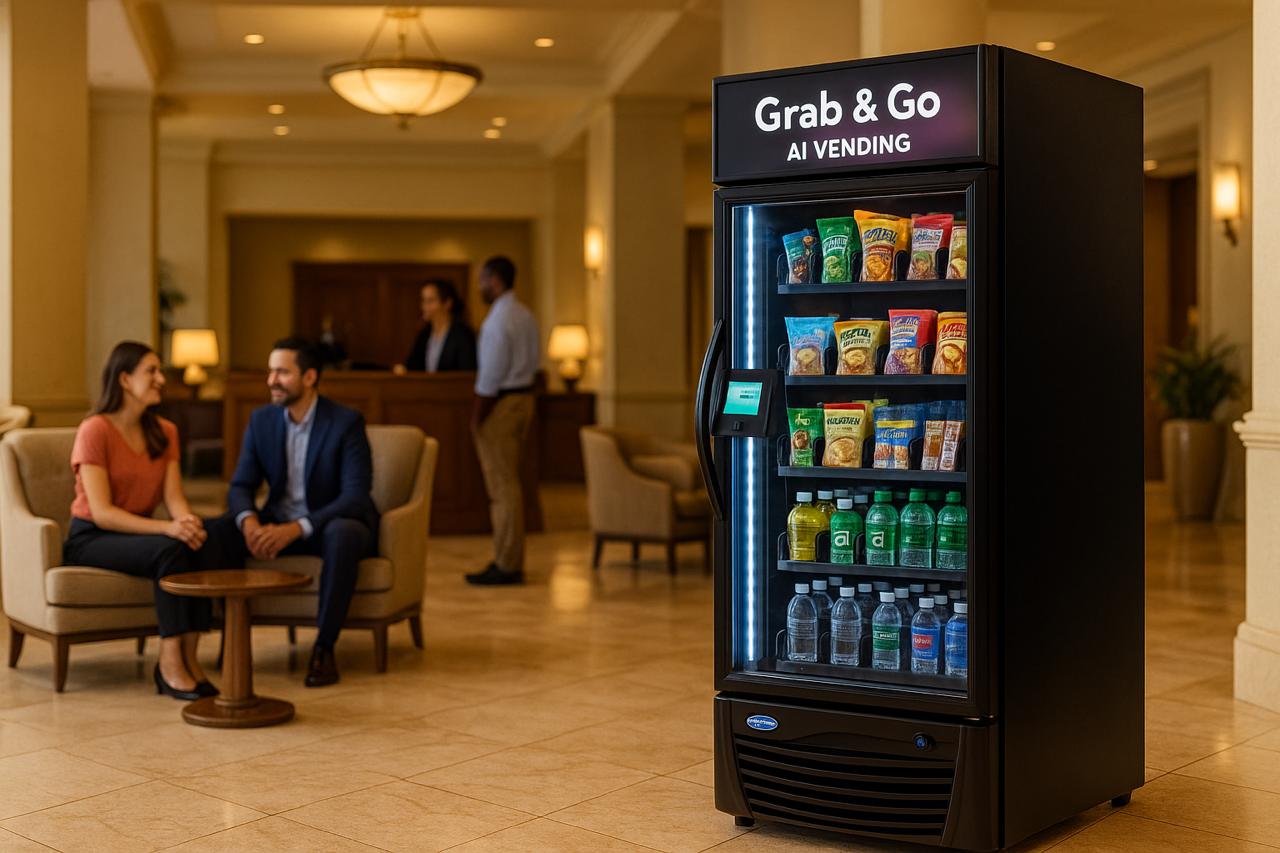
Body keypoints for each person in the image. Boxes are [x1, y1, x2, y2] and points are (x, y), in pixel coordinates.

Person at [210, 337, 379, 686]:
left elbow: (355, 496)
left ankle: (324, 648)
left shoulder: (345, 422)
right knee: (218, 530)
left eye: (282, 372)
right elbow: (240, 485)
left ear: (310, 377)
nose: (271, 380)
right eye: (270, 371)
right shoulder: (262, 421)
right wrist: (250, 522)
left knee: (343, 532)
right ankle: (229, 641)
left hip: (330, 523)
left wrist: (297, 528)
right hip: (277, 522)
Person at [63, 341, 220, 700]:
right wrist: (168, 528)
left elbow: (174, 497)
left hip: (136, 534)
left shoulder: (165, 431)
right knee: (169, 549)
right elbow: (101, 512)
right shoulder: (94, 430)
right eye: (151, 371)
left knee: (198, 542)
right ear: (124, 378)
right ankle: (169, 665)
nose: (161, 379)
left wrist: (188, 523)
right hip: (92, 537)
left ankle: (191, 659)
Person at [466, 256, 540, 586]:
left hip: (503, 405)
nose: (480, 286)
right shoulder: (525, 314)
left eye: (482, 280)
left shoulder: (498, 321)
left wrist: (477, 416)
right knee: (510, 483)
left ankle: (507, 562)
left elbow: (491, 375)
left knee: (502, 487)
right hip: (524, 399)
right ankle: (508, 557)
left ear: (494, 280)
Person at [395, 280, 478, 373]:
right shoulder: (424, 334)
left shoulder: (463, 335)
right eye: (423, 300)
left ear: (447, 303)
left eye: (430, 301)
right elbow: (413, 365)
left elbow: (467, 372)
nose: (424, 306)